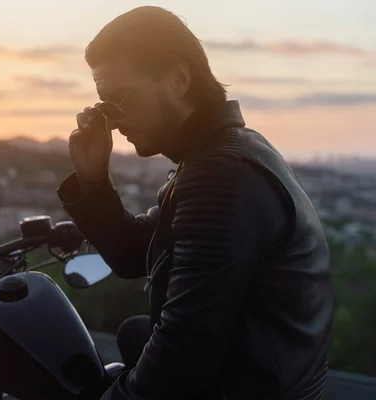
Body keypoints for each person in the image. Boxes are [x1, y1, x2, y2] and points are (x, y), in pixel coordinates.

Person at [56, 6, 333, 400]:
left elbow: (181, 355)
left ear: (179, 79)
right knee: (133, 332)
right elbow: (136, 254)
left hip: (245, 387)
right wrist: (92, 180)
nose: (112, 122)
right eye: (104, 107)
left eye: (120, 101)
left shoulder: (222, 177)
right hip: (269, 371)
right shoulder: (225, 152)